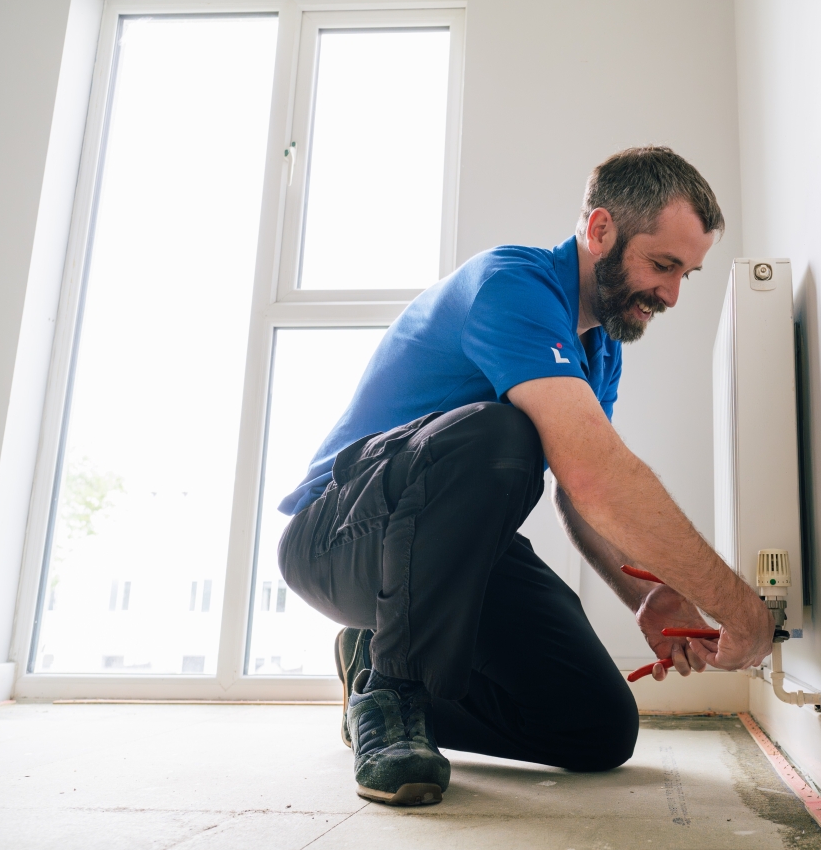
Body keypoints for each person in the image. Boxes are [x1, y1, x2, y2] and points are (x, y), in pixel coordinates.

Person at [277, 146, 774, 806]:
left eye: (688, 273)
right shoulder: (511, 285)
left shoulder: (598, 347)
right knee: (499, 432)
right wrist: (740, 607)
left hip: (454, 555)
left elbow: (580, 493)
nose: (673, 293)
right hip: (338, 536)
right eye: (663, 264)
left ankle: (372, 665)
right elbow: (598, 475)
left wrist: (647, 597)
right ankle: (392, 698)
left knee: (597, 726)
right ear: (599, 231)